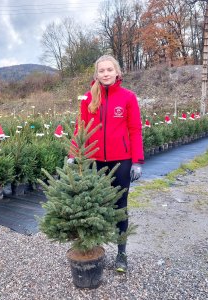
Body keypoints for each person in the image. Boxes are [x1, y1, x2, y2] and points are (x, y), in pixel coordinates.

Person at [68, 54, 144, 273]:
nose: (106, 74)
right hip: (94, 161)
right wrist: (74, 152)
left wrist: (137, 161)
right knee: (94, 206)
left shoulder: (128, 97)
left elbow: (135, 130)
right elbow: (79, 127)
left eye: (109, 70)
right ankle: (94, 248)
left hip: (121, 162)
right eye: (101, 71)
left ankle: (121, 254)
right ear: (97, 74)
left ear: (117, 72)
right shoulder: (88, 98)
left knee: (120, 207)